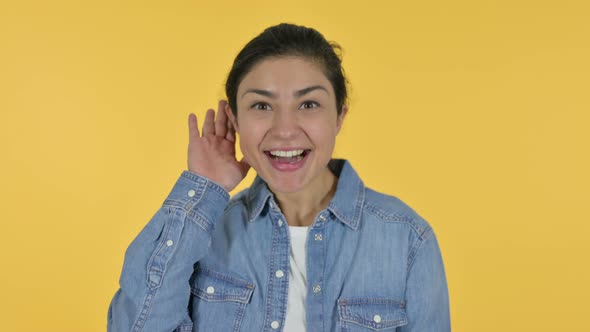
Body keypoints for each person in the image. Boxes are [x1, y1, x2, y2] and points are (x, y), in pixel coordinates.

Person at [107, 23, 450, 332]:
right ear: (234, 119)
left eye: (309, 104)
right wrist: (202, 191)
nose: (285, 130)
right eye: (261, 106)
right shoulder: (203, 232)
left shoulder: (408, 240)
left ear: (339, 116)